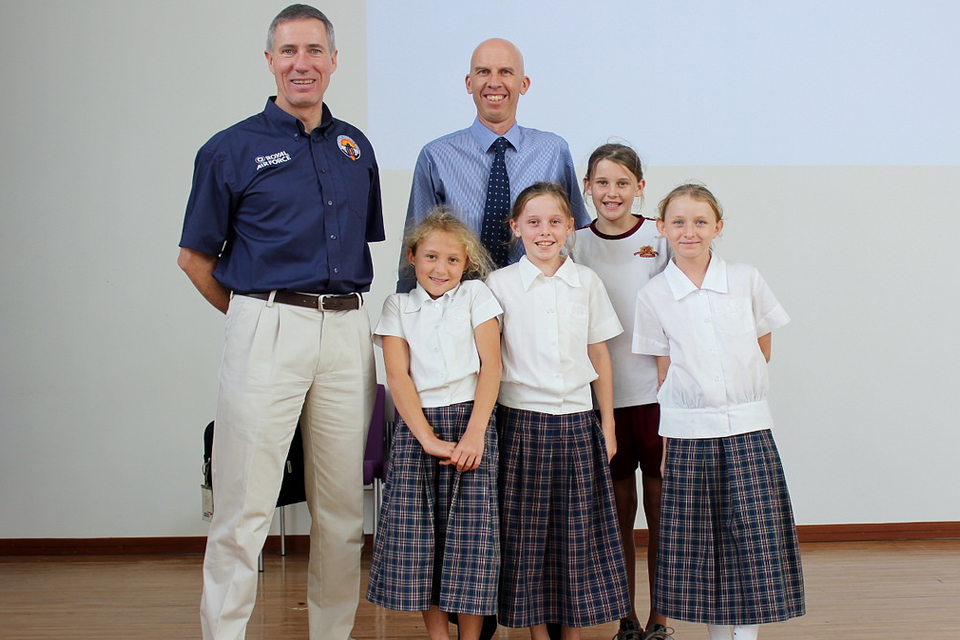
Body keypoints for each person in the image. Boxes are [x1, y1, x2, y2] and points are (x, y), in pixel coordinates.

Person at [176, 5, 384, 640]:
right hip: (266, 327)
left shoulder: (356, 147)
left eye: (315, 51)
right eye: (290, 51)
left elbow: (361, 245)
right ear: (270, 60)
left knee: (345, 510)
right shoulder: (229, 149)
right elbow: (194, 259)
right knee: (245, 508)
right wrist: (251, 315)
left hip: (348, 331)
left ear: (333, 61)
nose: (303, 63)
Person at [632, 184, 805, 640]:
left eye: (701, 222)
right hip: (689, 434)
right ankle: (715, 633)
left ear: (718, 228)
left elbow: (761, 347)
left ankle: (744, 636)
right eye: (679, 222)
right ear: (662, 228)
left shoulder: (746, 279)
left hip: (748, 428)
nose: (690, 231)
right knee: (705, 542)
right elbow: (664, 375)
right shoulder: (654, 295)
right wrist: (668, 438)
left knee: (751, 537)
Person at [485, 182, 631, 640]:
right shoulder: (498, 284)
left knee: (576, 535)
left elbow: (600, 356)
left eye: (554, 222)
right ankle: (536, 634)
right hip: (520, 421)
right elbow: (489, 360)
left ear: (571, 226)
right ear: (515, 228)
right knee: (525, 536)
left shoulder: (586, 282)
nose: (544, 232)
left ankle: (571, 633)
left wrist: (606, 424)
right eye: (533, 222)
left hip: (575, 421)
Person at [366, 209, 503, 640]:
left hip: (471, 423)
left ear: (466, 265)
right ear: (412, 257)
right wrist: (426, 439)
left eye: (452, 260)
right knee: (421, 540)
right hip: (416, 429)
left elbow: (492, 367)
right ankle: (438, 635)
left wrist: (475, 433)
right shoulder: (398, 306)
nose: (440, 269)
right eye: (430, 257)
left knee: (473, 542)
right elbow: (398, 377)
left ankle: (470, 636)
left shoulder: (477, 297)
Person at [570, 144, 673, 640]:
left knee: (661, 514)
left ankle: (660, 619)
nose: (612, 193)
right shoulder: (573, 242)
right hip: (600, 402)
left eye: (622, 182)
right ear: (586, 186)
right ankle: (625, 618)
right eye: (602, 183)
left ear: (640, 187)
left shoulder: (661, 234)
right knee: (616, 518)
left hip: (656, 398)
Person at [398, 38, 590, 293]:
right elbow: (418, 244)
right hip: (460, 303)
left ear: (524, 84)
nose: (494, 82)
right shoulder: (436, 156)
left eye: (506, 72)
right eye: (483, 72)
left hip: (538, 301)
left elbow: (578, 233)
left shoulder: (553, 150)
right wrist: (406, 308)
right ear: (469, 83)